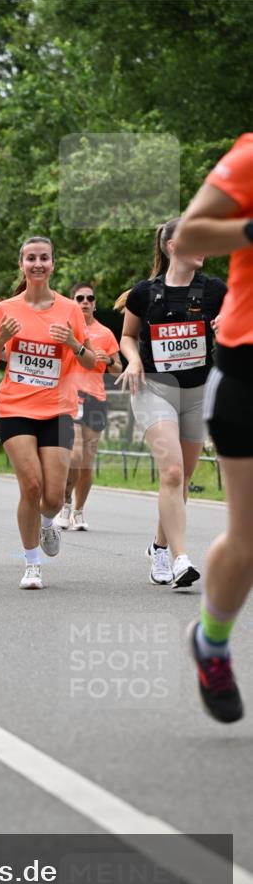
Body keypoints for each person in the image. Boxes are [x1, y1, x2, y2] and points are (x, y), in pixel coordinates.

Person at [176, 132, 253, 723]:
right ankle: (212, 641)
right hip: (247, 369)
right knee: (248, 541)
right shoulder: (250, 155)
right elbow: (191, 235)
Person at [116, 219, 227, 588]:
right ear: (172, 246)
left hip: (197, 394)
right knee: (173, 473)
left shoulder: (215, 291)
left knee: (181, 479)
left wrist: (226, 329)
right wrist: (132, 359)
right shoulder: (144, 293)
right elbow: (128, 337)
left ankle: (159, 546)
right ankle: (181, 559)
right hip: (154, 389)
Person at [0, 236, 94, 589]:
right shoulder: (6, 310)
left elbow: (92, 362)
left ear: (52, 264)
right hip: (15, 407)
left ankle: (47, 524)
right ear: (22, 264)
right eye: (31, 258)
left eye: (44, 258)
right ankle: (32, 563)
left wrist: (73, 344)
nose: (37, 264)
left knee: (53, 496)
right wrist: (0, 339)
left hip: (58, 409)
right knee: (30, 487)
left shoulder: (69, 310)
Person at [56, 283, 122, 531]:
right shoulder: (65, 330)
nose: (85, 302)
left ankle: (79, 511)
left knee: (87, 461)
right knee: (74, 455)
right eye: (79, 298)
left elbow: (119, 368)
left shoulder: (105, 333)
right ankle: (64, 502)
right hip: (70, 396)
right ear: (73, 301)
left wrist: (110, 362)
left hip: (96, 397)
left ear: (95, 303)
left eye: (89, 298)